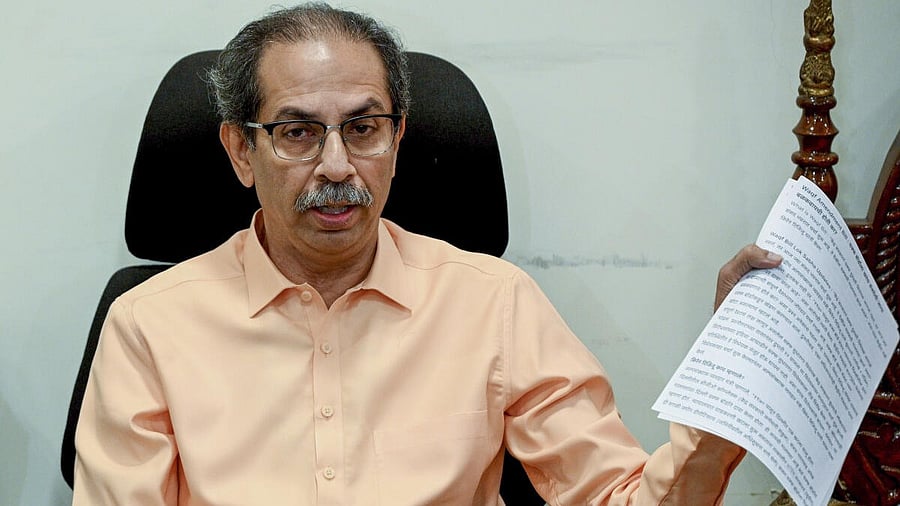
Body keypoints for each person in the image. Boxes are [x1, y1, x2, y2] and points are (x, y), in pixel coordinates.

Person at [71, 3, 782, 505]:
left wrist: (729, 387)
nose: (337, 166)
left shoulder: (492, 304)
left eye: (364, 127)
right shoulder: (148, 328)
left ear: (398, 137)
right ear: (240, 151)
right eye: (296, 133)